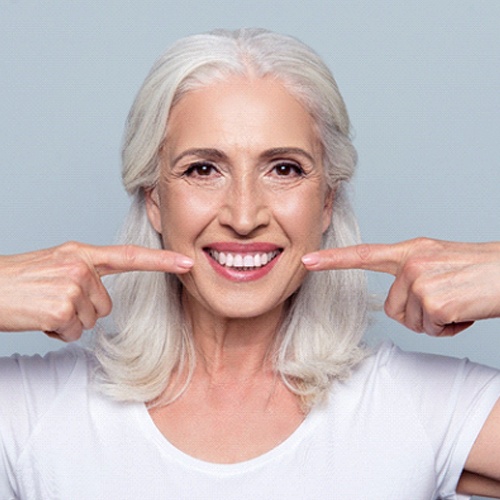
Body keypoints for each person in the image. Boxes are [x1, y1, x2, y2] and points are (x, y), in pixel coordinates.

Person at [0, 28, 499, 499]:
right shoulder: (30, 411)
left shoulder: (418, 407)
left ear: (326, 201)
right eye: (202, 169)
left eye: (284, 169)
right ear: (154, 199)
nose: (243, 216)